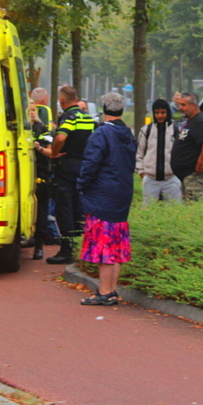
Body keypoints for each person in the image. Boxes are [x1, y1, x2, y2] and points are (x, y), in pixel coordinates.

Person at [76, 92, 137, 305]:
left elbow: (90, 164)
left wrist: (81, 186)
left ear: (103, 109)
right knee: (117, 244)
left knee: (103, 246)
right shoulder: (127, 134)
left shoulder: (101, 134)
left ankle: (103, 291)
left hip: (102, 195)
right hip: (122, 193)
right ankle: (112, 290)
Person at [39, 85, 95, 265]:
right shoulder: (87, 116)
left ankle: (66, 250)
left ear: (62, 101)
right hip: (83, 166)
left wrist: (55, 152)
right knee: (79, 209)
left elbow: (61, 138)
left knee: (64, 209)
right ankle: (79, 247)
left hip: (67, 167)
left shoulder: (68, 116)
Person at [135, 98, 182, 203]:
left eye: (163, 112)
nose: (160, 116)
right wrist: (142, 173)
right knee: (149, 212)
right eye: (157, 113)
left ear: (168, 112)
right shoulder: (146, 130)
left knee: (174, 212)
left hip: (171, 180)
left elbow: (181, 154)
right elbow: (139, 153)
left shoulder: (175, 130)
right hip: (150, 180)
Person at [171, 92, 203, 202]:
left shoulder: (200, 121)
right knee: (189, 209)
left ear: (193, 106)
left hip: (195, 176)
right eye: (179, 105)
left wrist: (200, 162)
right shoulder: (190, 122)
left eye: (183, 105)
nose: (180, 108)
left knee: (196, 206)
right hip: (186, 177)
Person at [29, 87, 54, 260]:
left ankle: (39, 246)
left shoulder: (41, 129)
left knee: (42, 211)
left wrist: (39, 148)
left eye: (33, 110)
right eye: (28, 110)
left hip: (41, 175)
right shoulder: (19, 130)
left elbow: (50, 150)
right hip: (24, 177)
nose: (31, 113)